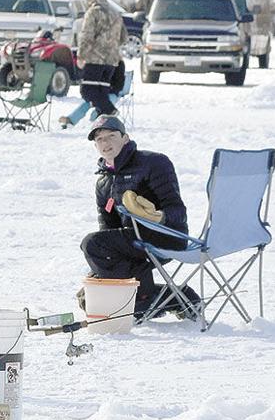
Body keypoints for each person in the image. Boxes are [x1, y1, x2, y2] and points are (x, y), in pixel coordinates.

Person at [80, 115, 194, 317]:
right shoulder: (103, 183)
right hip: (133, 244)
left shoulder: (153, 163)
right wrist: (103, 272)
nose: (106, 143)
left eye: (111, 136)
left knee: (91, 244)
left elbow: (179, 213)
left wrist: (158, 217)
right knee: (88, 297)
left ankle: (142, 299)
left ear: (125, 138)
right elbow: (107, 231)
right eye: (100, 139)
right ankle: (174, 298)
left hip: (166, 236)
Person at [76, 0, 127, 118]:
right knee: (102, 92)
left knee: (87, 91)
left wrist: (81, 56)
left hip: (95, 59)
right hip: (112, 61)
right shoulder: (116, 14)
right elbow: (124, 38)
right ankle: (104, 119)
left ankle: (110, 111)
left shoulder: (93, 12)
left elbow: (86, 36)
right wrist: (112, 46)